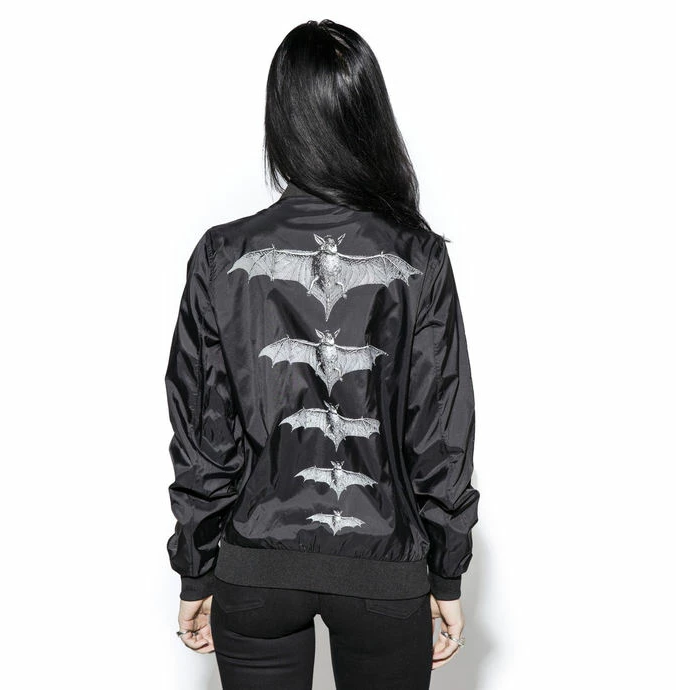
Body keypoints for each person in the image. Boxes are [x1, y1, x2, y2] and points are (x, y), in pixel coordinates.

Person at [164, 18, 479, 690]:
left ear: (280, 120)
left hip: (257, 565)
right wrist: (447, 569)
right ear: (368, 117)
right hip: (382, 566)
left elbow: (204, 432)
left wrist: (197, 565)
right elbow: (439, 431)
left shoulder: (223, 254)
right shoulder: (417, 257)